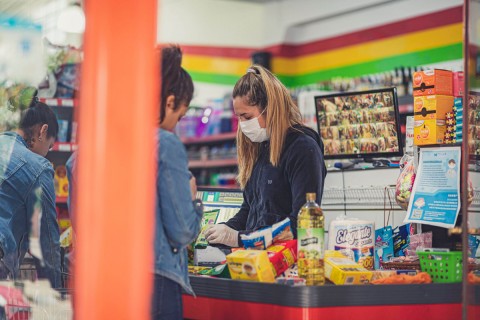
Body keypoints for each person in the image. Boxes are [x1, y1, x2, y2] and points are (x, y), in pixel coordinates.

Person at [205, 65, 326, 247]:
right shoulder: (260, 148)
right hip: (255, 261)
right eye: (239, 117)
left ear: (270, 109)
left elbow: (301, 225)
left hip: (288, 262)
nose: (242, 125)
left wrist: (238, 238)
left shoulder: (303, 150)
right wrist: (223, 230)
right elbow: (250, 210)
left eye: (247, 116)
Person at [151, 45, 204, 320]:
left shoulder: (115, 137)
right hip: (158, 280)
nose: (176, 125)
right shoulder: (165, 143)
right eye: (180, 116)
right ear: (169, 101)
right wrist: (193, 199)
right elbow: (183, 231)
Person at [0, 98, 61, 288]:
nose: (46, 153)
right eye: (49, 147)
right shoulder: (38, 168)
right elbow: (46, 243)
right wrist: (53, 298)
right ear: (43, 131)